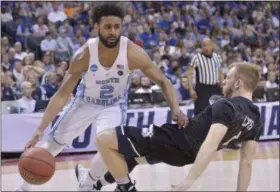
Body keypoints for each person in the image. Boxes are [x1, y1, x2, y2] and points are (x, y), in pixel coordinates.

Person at [16, 3, 188, 191]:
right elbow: (62, 94)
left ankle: (87, 185)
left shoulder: (133, 53)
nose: (113, 31)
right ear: (97, 27)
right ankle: (24, 188)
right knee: (52, 147)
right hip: (85, 102)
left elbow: (164, 81)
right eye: (107, 27)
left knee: (111, 147)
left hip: (114, 105)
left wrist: (176, 109)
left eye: (116, 26)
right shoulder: (84, 55)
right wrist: (40, 129)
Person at [93, 63, 262, 191]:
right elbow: (246, 164)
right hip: (185, 156)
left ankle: (125, 188)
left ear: (238, 83)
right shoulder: (256, 119)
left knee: (104, 138)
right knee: (132, 158)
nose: (223, 82)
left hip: (174, 141)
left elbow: (210, 144)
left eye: (228, 78)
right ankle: (94, 184)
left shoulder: (226, 105)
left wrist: (188, 181)